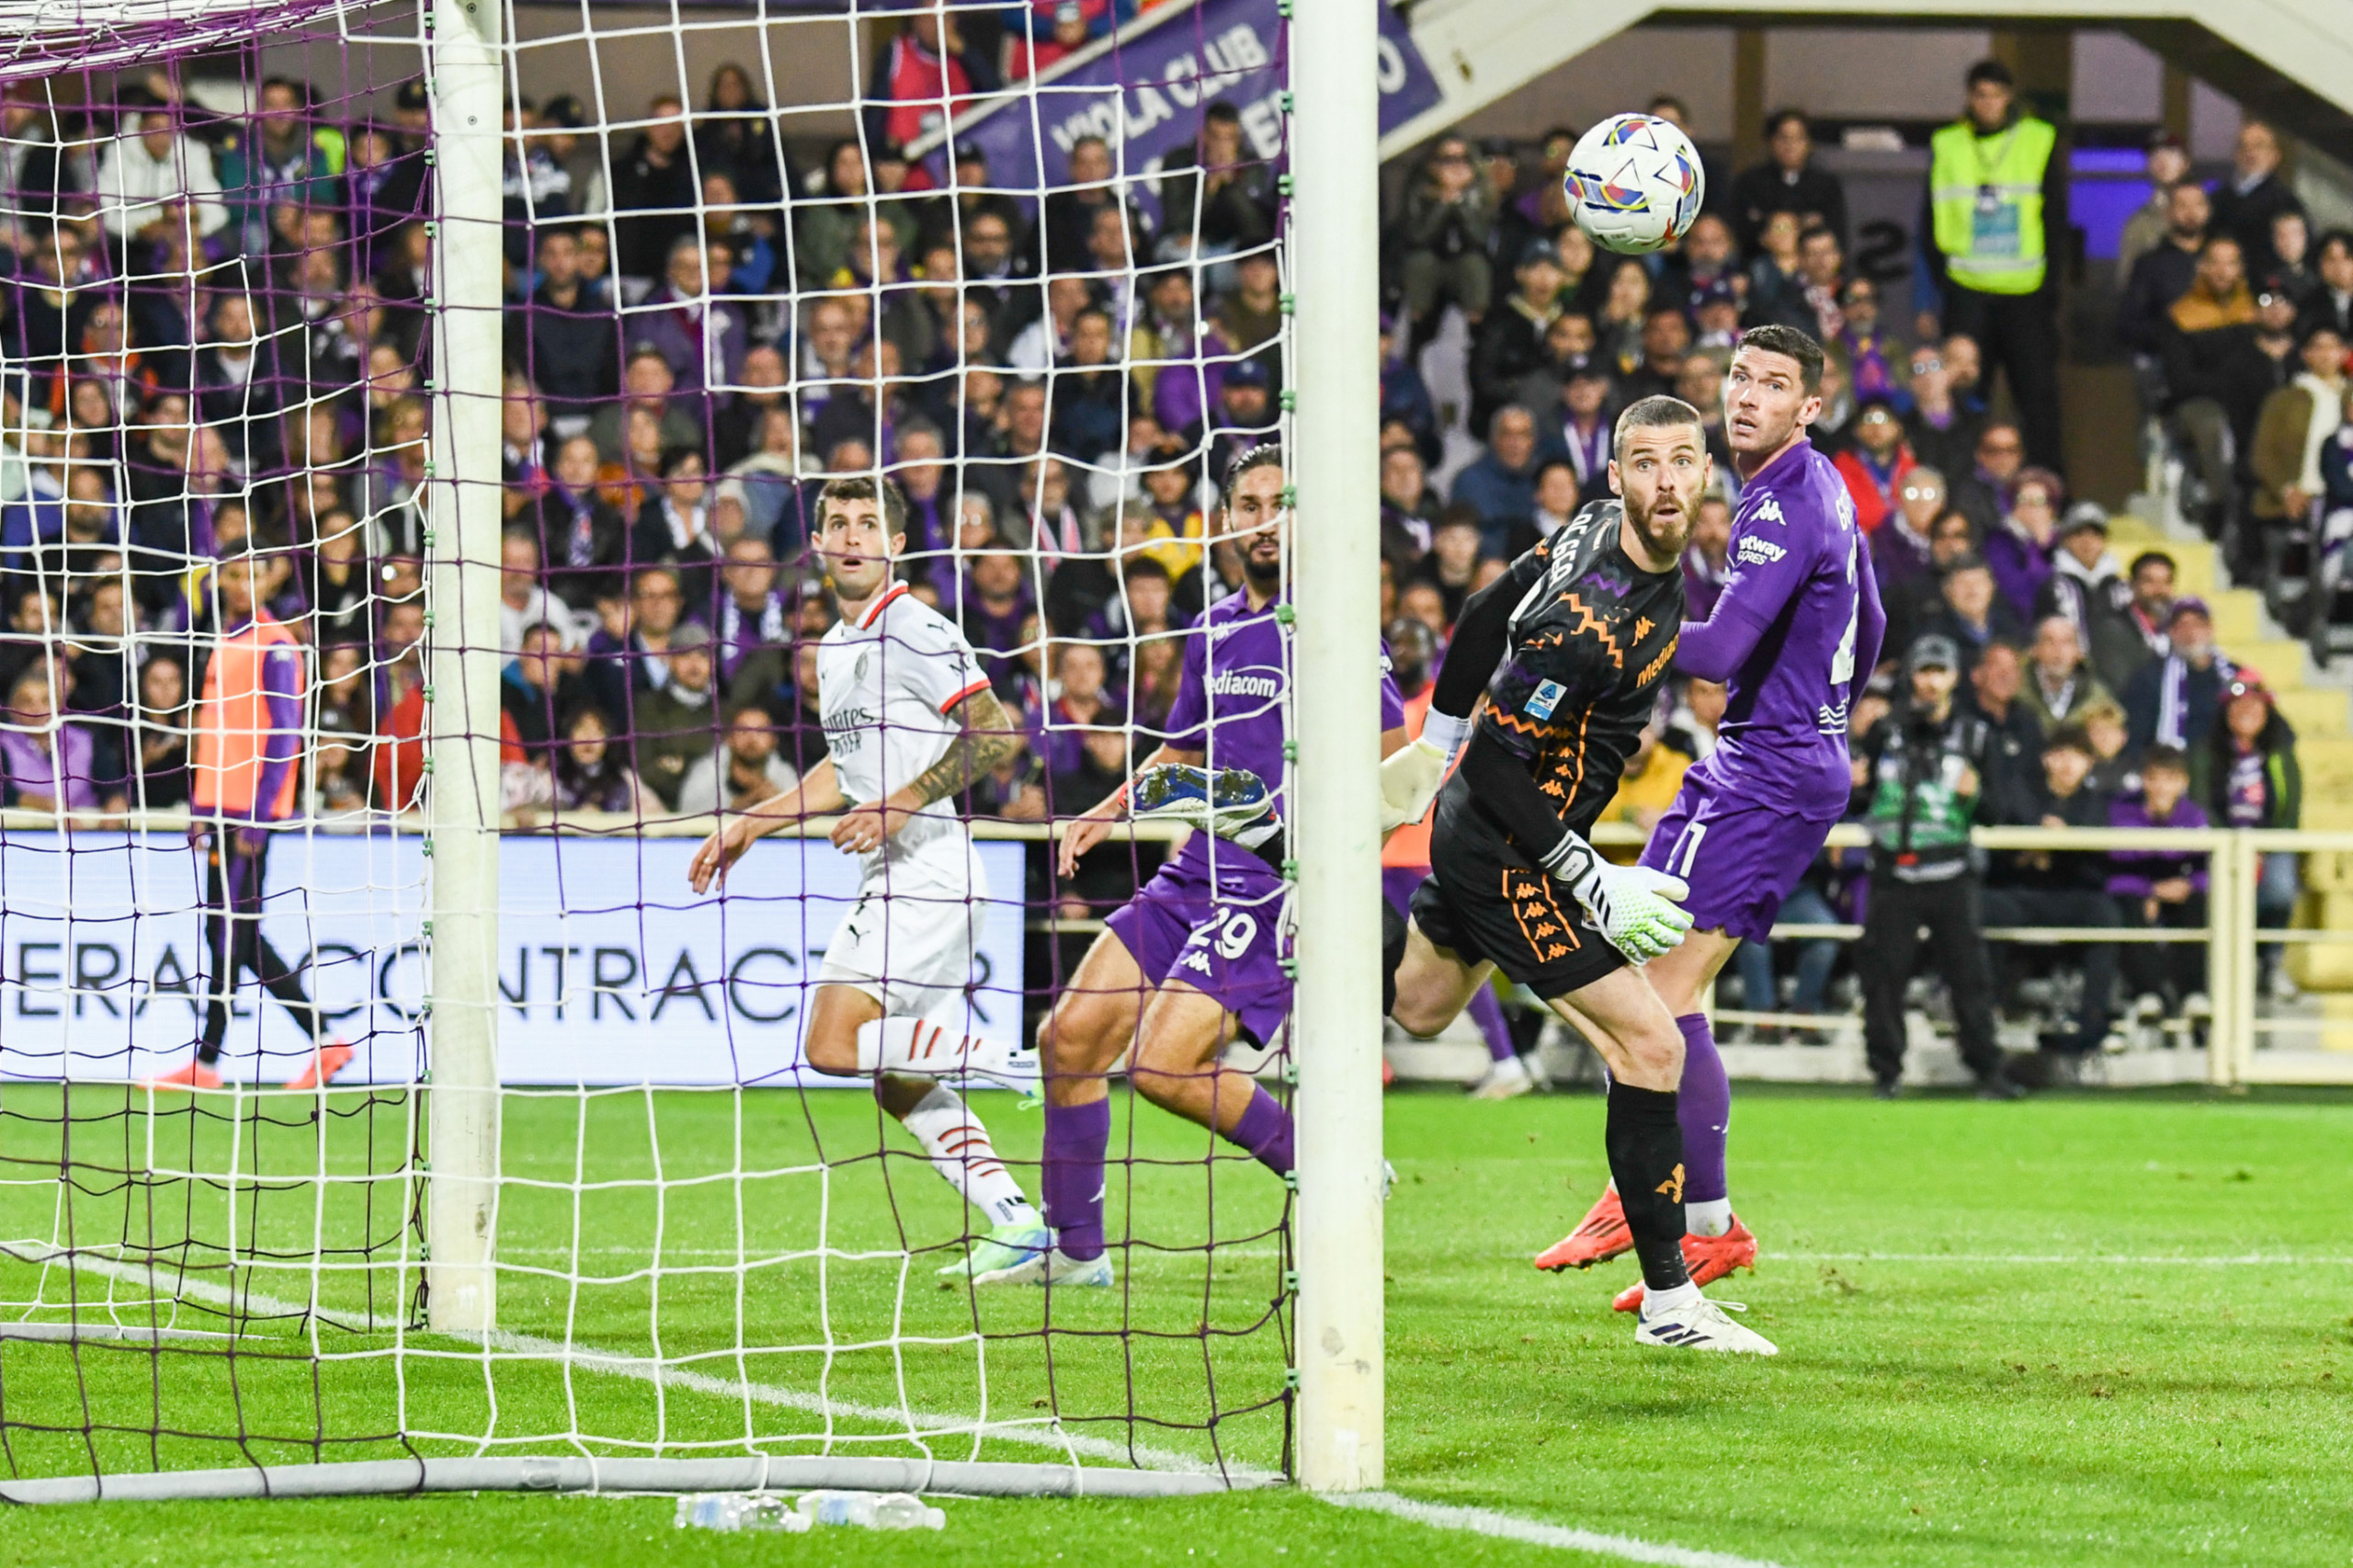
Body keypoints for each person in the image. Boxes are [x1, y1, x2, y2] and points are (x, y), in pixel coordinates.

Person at [1381, 395, 1774, 1353]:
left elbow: (1480, 609)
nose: (1668, 481)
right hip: (1512, 846)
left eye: (1684, 460)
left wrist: (1426, 745)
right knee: (1651, 1047)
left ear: (1706, 474)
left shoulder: (1598, 532)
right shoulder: (1585, 621)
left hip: (1494, 835)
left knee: (1420, 1006)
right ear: (1616, 478)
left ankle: (1287, 889)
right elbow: (1496, 760)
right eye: (1645, 464)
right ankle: (1673, 1303)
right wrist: (1582, 870)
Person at [1016, 445, 1408, 1289]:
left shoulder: (1334, 622)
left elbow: (1389, 760)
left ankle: (1331, 1170)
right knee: (1068, 1038)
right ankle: (1075, 1251)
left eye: (1280, 502)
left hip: (1272, 884)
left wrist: (1328, 871)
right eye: (1250, 504)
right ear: (1225, 520)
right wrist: (1107, 809)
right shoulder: (1213, 626)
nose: (1264, 518)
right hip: (1196, 870)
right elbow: (1183, 749)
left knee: (1161, 1068)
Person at [688, 475, 1049, 1281]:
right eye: (838, 524)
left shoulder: (915, 628)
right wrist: (756, 819)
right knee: (893, 1080)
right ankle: (1019, 1223)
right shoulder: (837, 647)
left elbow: (996, 732)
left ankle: (1011, 1060)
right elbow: (842, 771)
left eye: (868, 524)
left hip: (930, 870)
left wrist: (902, 802)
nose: (853, 537)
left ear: (897, 545)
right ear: (816, 544)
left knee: (831, 1042)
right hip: (904, 875)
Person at [144, 543, 347, 1091]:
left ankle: (225, 1059)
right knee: (231, 935)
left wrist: (260, 813)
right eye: (232, 574)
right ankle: (296, 1047)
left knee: (233, 935)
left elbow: (285, 734)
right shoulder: (225, 640)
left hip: (249, 813)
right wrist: (201, 808)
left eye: (251, 574)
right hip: (221, 810)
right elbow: (216, 735)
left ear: (270, 580)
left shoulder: (277, 645)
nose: (240, 584)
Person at [1854, 635, 2017, 1097]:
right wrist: (1854, 786)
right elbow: (1864, 800)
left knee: (1971, 979)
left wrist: (1977, 794)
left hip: (1951, 872)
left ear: (1954, 678)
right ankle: (1886, 1073)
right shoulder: (1884, 731)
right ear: (1911, 677)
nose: (1930, 682)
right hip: (1892, 872)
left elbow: (1998, 812)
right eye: (1923, 671)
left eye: (1938, 671)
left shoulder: (1976, 735)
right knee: (1884, 979)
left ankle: (1987, 1070)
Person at [1920, 60, 2064, 472]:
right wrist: (1941, 285)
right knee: (1963, 393)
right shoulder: (1948, 143)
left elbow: (2055, 216)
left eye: (1996, 94)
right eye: (1980, 95)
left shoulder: (2037, 139)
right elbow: (1929, 217)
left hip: (2025, 292)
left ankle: (2048, 489)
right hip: (1967, 289)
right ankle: (1960, 483)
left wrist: (2051, 287)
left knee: (2037, 397)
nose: (1988, 103)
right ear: (1969, 98)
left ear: (2009, 97)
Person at [1983, 723, 2119, 1063]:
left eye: (2077, 756)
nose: (2067, 764)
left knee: (2106, 916)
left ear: (2089, 762)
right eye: (2059, 754)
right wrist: (2032, 850)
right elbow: (2000, 858)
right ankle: (1988, 1013)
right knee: (1987, 910)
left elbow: (2097, 868)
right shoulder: (2020, 794)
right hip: (2023, 894)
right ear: (2046, 758)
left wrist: (2057, 847)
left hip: (2070, 897)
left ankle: (2092, 1020)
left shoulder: (2095, 805)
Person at [2201, 670, 2302, 1000]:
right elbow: (2202, 804)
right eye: (2239, 707)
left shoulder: (2280, 754)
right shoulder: (2206, 753)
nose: (2247, 713)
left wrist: (2262, 846)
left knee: (2280, 888)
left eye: (2254, 707)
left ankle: (2270, 963)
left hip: (2267, 844)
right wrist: (2229, 845)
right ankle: (2220, 969)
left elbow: (2290, 808)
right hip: (2219, 845)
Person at [2108, 745, 2211, 1019]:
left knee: (2199, 904)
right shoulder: (2121, 810)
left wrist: (2187, 885)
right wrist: (2149, 891)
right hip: (2135, 892)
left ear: (2183, 782)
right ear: (2144, 780)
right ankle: (2148, 993)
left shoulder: (2195, 816)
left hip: (2179, 893)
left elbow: (2207, 868)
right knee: (2127, 907)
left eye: (2170, 779)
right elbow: (2115, 866)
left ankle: (2193, 994)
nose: (2162, 787)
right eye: (2155, 778)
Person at [2035, 505, 2147, 696]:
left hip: (2118, 680)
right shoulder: (2052, 586)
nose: (2088, 542)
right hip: (2070, 680)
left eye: (2095, 535)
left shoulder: (2121, 588)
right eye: (2079, 534)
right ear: (2066, 540)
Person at [1728, 109, 1847, 256]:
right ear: (1770, 142)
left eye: (1798, 138)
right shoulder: (1749, 182)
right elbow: (1740, 230)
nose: (1790, 146)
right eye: (1783, 138)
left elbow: (1837, 234)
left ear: (1809, 143)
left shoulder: (1826, 184)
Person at [2124, 596, 2233, 752]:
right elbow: (2136, 734)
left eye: (2198, 624)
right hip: (2170, 768)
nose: (2191, 633)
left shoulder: (2232, 675)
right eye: (2182, 626)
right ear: (2171, 633)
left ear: (2210, 629)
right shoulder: (2151, 677)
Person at [2210, 120, 2300, 281]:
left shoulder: (2285, 202)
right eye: (2244, 147)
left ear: (2275, 156)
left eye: (2259, 146)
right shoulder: (2216, 199)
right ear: (2235, 154)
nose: (2250, 153)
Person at [2020, 613, 2116, 735]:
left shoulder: (2098, 698)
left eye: (2066, 642)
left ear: (2079, 653)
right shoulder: (2017, 693)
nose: (2058, 650)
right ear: (2035, 650)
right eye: (2049, 641)